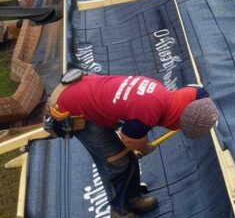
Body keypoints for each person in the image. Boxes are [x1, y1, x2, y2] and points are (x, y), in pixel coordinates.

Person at [44, 72, 219, 218]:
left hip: (80, 92)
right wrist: (146, 147)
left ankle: (133, 198)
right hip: (69, 109)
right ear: (177, 120)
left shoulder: (160, 92)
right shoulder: (148, 112)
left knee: (127, 157)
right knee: (116, 162)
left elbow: (197, 91)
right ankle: (119, 211)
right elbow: (129, 138)